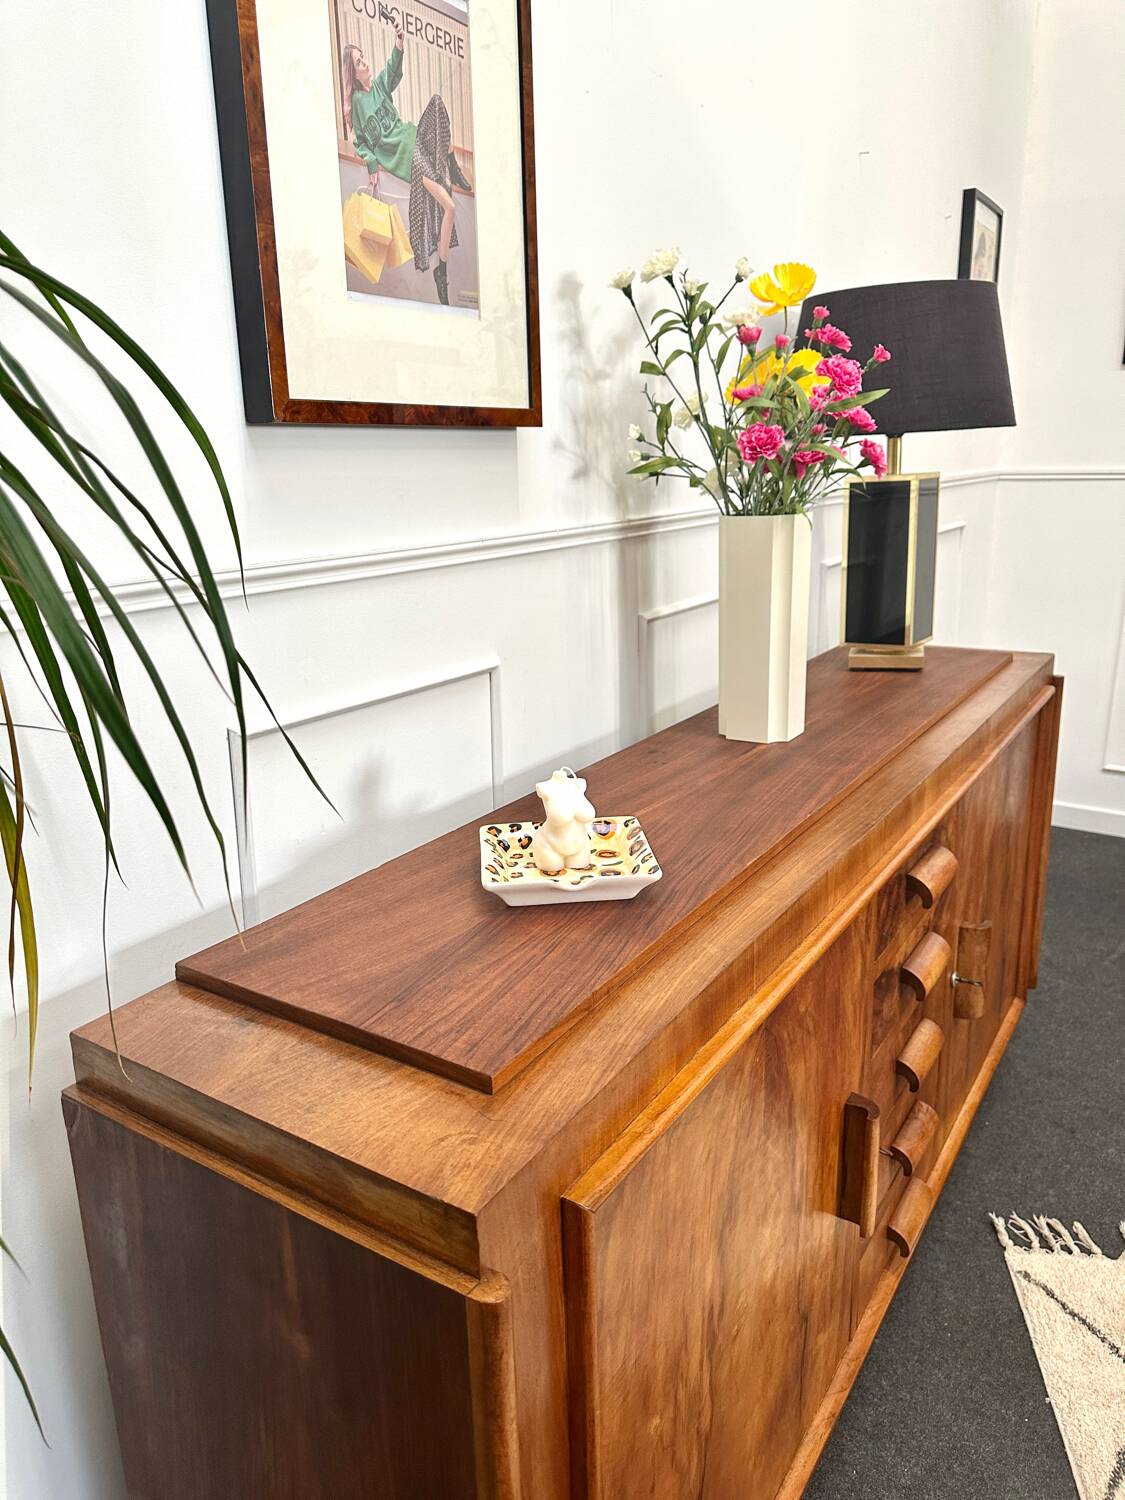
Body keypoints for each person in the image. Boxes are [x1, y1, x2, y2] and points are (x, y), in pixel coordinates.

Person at [341, 22, 471, 305]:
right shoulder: (357, 105)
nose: (365, 63)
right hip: (408, 160)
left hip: (414, 138)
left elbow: (392, 71)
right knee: (448, 206)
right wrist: (372, 164)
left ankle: (450, 162)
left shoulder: (378, 88)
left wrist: (399, 42)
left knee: (436, 105)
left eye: (363, 58)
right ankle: (442, 272)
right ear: (352, 72)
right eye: (359, 62)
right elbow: (361, 142)